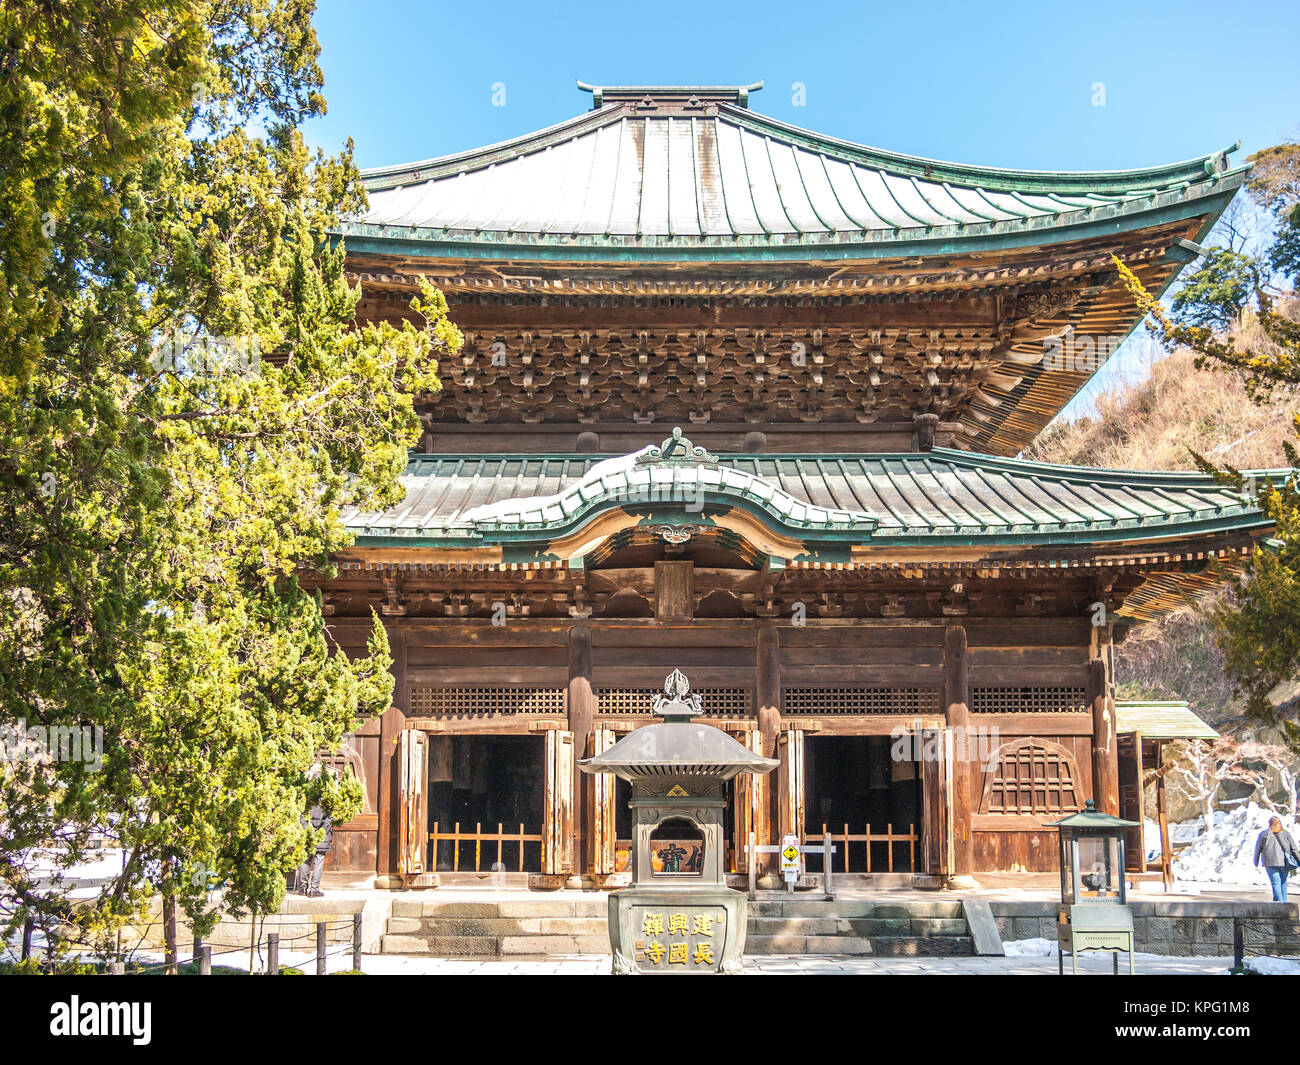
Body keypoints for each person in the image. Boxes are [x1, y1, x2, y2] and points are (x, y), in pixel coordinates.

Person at [1253, 816, 1300, 903]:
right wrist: (1298, 859)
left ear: (1270, 824)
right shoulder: (1286, 834)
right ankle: (1284, 904)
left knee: (1275, 883)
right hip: (1284, 862)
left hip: (1270, 863)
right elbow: (1293, 848)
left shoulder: (1264, 834)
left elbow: (1258, 848)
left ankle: (1279, 903)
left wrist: (1256, 860)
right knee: (1283, 883)